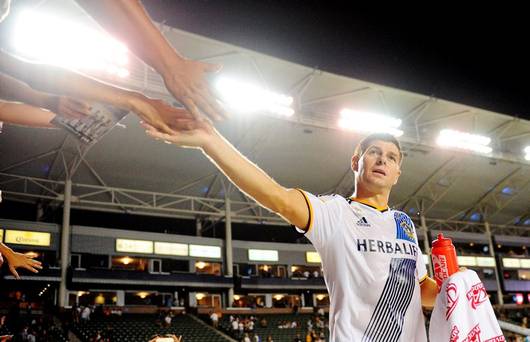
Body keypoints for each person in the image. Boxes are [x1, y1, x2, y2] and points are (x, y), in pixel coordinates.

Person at [143, 117, 440, 341]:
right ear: (355, 161)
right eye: (374, 152)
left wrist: (458, 290)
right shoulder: (334, 212)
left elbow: (422, 290)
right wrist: (211, 142)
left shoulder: (404, 224)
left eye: (391, 157)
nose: (382, 160)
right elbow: (276, 196)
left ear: (397, 173)